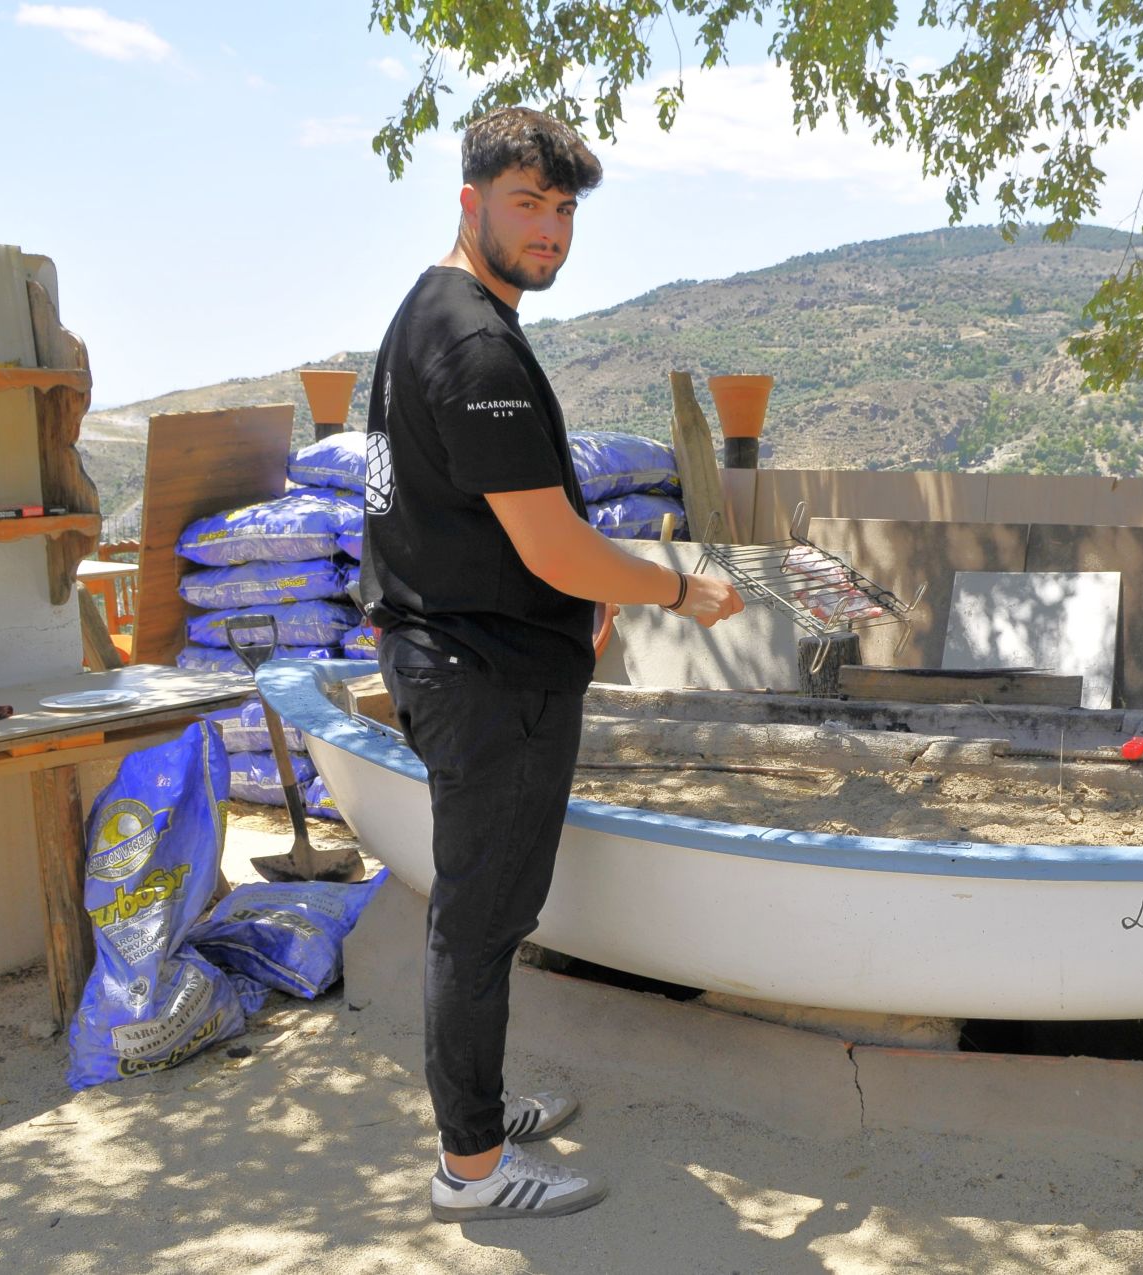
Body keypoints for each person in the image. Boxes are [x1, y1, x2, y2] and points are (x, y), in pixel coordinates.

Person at [359, 106, 744, 1224]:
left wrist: (575, 608)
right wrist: (678, 589)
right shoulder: (477, 342)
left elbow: (473, 524)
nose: (551, 230)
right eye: (528, 203)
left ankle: (475, 1107)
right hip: (485, 681)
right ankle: (469, 1171)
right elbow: (551, 543)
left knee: (480, 916)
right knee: (480, 921)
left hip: (462, 655)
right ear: (469, 200)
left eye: (565, 209)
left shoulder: (430, 314)